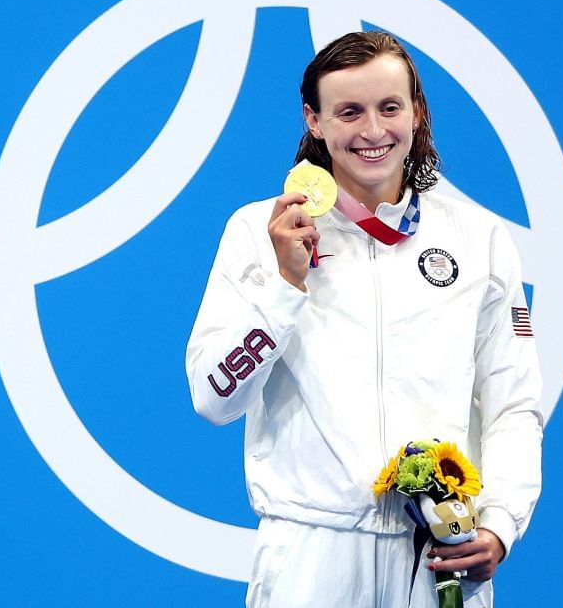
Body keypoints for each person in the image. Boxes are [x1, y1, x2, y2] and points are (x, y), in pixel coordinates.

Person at [186, 31, 542, 606]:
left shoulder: (479, 240)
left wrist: (500, 522)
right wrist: (285, 285)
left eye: (389, 108)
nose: (373, 132)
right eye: (349, 112)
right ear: (314, 120)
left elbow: (514, 403)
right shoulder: (258, 233)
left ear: (418, 113)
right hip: (311, 556)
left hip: (437, 557)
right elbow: (213, 397)